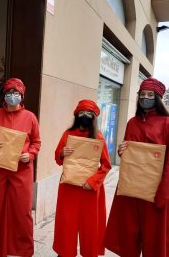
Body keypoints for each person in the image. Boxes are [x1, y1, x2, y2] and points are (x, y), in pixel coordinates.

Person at [105, 77, 169, 257]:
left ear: (158, 98)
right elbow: (128, 153)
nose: (145, 98)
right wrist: (122, 150)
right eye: (142, 94)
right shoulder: (132, 122)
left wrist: (164, 195)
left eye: (150, 94)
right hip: (130, 189)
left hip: (155, 193)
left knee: (154, 242)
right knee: (128, 238)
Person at [0, 78, 41, 257]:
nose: (12, 96)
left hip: (21, 171)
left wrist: (29, 154)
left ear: (22, 96)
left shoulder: (30, 117)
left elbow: (37, 142)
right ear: (4, 96)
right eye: (9, 93)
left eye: (16, 93)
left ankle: (24, 250)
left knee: (22, 212)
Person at [53, 99, 112, 257]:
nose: (85, 115)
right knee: (66, 227)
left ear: (94, 117)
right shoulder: (68, 134)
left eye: (89, 113)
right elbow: (58, 158)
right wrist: (62, 153)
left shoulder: (98, 138)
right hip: (69, 189)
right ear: (76, 114)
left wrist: (93, 182)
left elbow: (106, 165)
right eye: (82, 112)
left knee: (90, 228)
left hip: (90, 191)